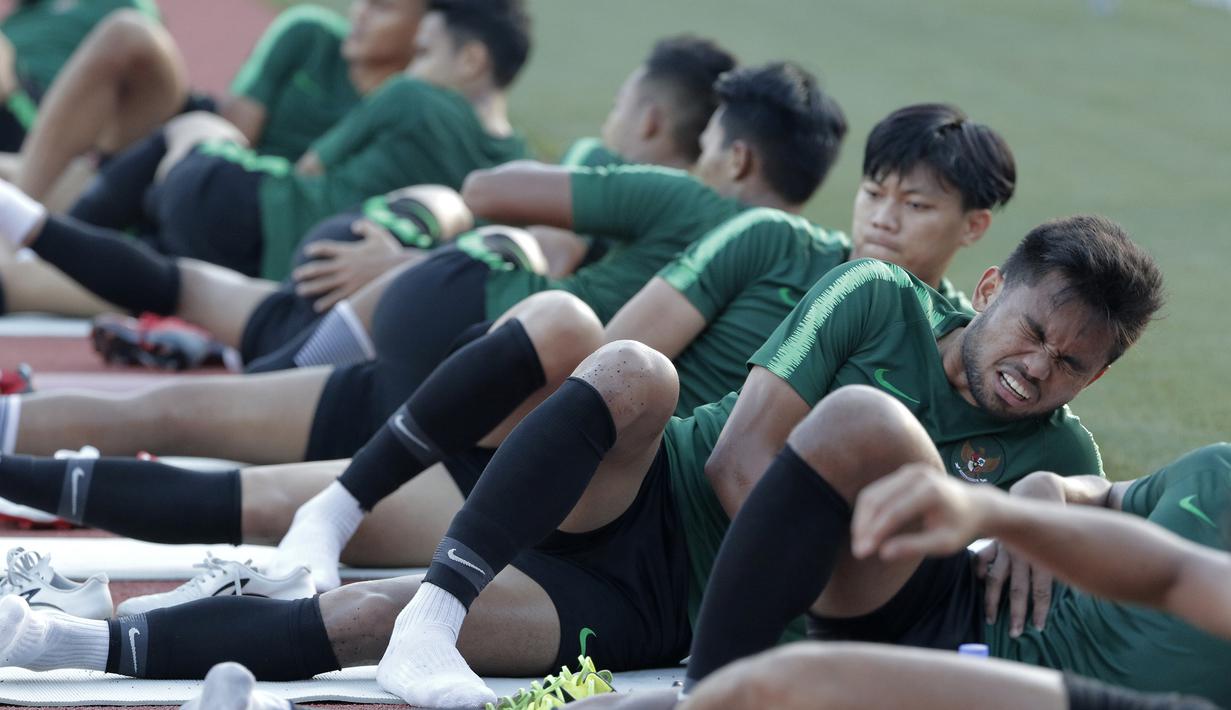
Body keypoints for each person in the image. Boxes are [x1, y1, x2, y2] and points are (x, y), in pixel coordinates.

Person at [0, 217, 1160, 709]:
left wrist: (1050, 493)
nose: (1037, 370)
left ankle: (68, 642)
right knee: (631, 369)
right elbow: (741, 461)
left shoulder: (1059, 452)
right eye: (1032, 332)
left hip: (667, 604)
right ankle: (390, 554)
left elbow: (1001, 572)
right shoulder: (876, 297)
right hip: (643, 489)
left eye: (1071, 365)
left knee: (363, 614)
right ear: (991, 286)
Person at [0, 102, 1013, 595]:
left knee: (265, 493)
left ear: (973, 229)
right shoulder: (771, 242)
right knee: (206, 436)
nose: (883, 218)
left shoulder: (938, 350)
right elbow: (614, 358)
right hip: (526, 431)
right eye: (873, 192)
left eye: (915, 205)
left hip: (619, 518)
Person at [0, 61, 841, 470]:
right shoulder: (822, 280)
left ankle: (33, 224)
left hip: (454, 314)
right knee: (220, 433)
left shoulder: (678, 200)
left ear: (734, 158)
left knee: (204, 331)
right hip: (472, 363)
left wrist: (422, 246)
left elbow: (491, 197)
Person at [586, 443, 1231, 709]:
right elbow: (1173, 573)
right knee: (771, 687)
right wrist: (1013, 505)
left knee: (779, 687)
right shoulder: (1217, 470)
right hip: (1008, 636)